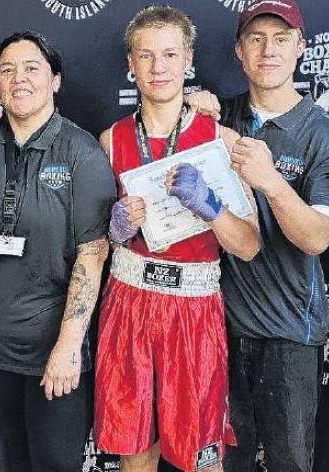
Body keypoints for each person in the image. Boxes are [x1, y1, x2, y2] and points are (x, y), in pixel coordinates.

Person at [93, 7, 260, 472]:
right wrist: (118, 227)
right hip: (129, 298)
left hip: (194, 306)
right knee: (135, 449)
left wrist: (210, 206)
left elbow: (248, 246)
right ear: (131, 62)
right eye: (146, 56)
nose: (158, 68)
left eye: (169, 54)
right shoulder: (111, 140)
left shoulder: (219, 139)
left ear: (188, 58)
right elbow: (96, 239)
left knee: (201, 456)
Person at [0, 31, 116, 471]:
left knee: (54, 463)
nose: (19, 79)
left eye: (32, 68)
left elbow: (92, 252)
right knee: (16, 458)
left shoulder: (81, 151)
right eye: (7, 70)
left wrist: (69, 346)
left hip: (49, 347)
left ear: (55, 80)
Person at [214, 1, 329, 470]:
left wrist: (271, 181)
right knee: (218, 462)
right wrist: (193, 112)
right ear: (239, 51)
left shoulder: (327, 137)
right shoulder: (218, 118)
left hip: (287, 331)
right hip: (214, 326)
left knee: (289, 463)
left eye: (280, 39)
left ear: (300, 47)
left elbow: (317, 237)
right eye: (256, 39)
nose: (267, 50)